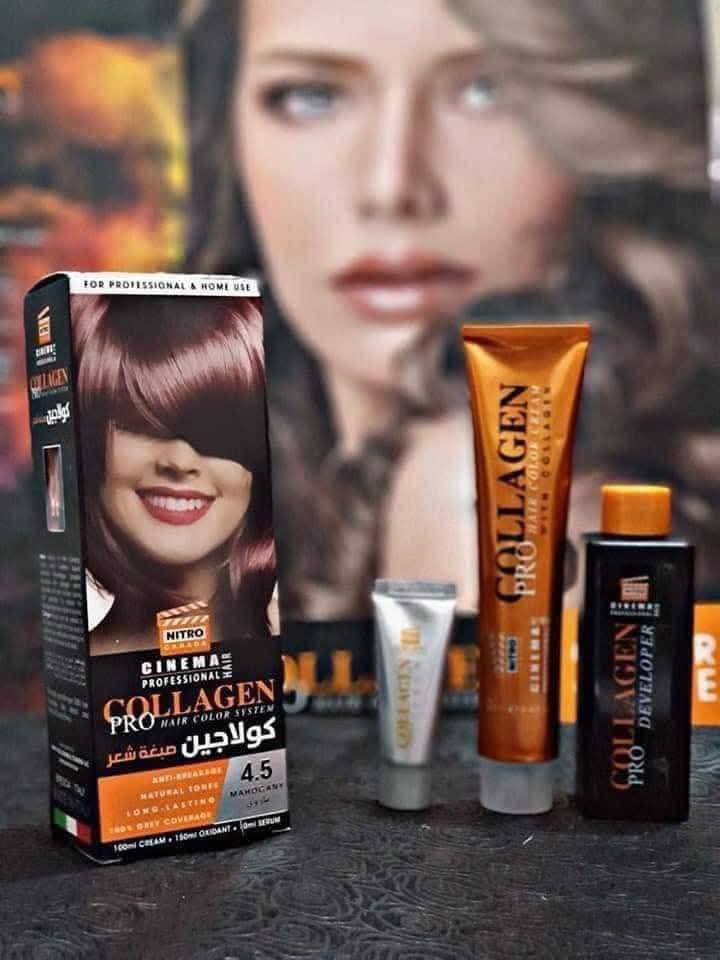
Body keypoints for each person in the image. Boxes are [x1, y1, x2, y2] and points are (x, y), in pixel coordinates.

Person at [183, 0, 719, 618]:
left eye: (490, 90)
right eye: (310, 96)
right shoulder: (226, 478)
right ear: (227, 136)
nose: (391, 187)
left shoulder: (494, 484)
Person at [73, 294, 278, 655]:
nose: (180, 461)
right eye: (140, 422)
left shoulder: (307, 651)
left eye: (217, 431)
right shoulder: (61, 669)